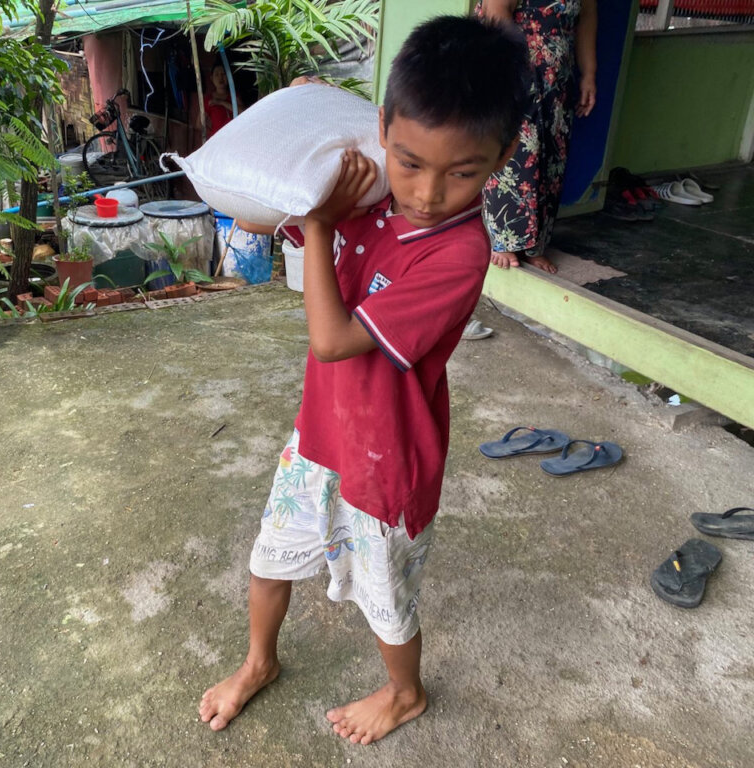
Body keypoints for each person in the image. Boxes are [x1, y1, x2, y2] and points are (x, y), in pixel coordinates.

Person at [198, 16, 529, 744]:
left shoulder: (457, 253)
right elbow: (312, 142)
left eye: (462, 172)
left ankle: (405, 692)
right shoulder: (372, 188)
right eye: (408, 162)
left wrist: (319, 225)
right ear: (382, 130)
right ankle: (258, 662)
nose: (427, 192)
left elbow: (333, 336)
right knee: (270, 555)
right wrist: (309, 110)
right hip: (319, 432)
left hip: (388, 461)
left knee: (387, 599)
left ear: (503, 156)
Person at [479, 0, 598, 274]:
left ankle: (534, 245)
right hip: (513, 72)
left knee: (551, 158)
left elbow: (587, 19)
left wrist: (589, 74)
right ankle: (503, 239)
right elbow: (496, 17)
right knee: (514, 153)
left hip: (557, 78)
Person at [199, 64, 238, 139]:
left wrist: (221, 102)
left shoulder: (234, 96)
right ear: (212, 78)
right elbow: (199, 124)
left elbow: (242, 112)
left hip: (234, 138)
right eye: (216, 74)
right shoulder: (209, 99)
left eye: (223, 74)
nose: (220, 77)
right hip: (218, 140)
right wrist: (213, 134)